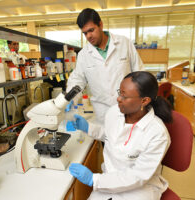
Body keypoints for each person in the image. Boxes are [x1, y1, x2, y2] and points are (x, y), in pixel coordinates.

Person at [69, 71, 173, 200]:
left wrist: (94, 179)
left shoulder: (157, 133)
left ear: (144, 100)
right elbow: (110, 135)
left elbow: (138, 176)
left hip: (140, 188)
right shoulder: (114, 112)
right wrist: (88, 128)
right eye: (120, 93)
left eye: (125, 96)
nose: (118, 99)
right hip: (109, 179)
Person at [66, 8, 144, 125]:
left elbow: (140, 73)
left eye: (91, 30)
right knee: (107, 141)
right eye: (85, 33)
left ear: (100, 25)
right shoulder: (84, 55)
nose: (88, 36)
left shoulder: (124, 43)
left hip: (130, 110)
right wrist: (69, 99)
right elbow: (77, 80)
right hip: (104, 115)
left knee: (133, 141)